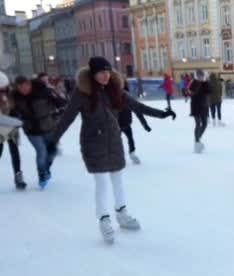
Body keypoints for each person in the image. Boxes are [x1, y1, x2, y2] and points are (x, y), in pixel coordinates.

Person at [47, 56, 176, 244]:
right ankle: (104, 219)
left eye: (108, 72)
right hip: (93, 141)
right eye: (101, 72)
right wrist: (53, 139)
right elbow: (67, 117)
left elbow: (136, 105)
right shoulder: (82, 92)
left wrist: (161, 114)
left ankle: (121, 213)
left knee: (117, 178)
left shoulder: (114, 89)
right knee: (102, 182)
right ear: (93, 73)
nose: (106, 75)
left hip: (114, 139)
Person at [11, 75, 67, 188]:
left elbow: (61, 103)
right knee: (41, 151)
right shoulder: (15, 96)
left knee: (52, 151)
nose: (23, 90)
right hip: (31, 129)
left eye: (25, 86)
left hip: (48, 126)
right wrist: (17, 117)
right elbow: (13, 111)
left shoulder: (43, 91)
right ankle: (41, 174)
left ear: (29, 84)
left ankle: (46, 169)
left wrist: (58, 112)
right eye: (20, 88)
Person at [0, 71, 27, 190]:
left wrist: (17, 116)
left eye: (4, 87)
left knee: (15, 152)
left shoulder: (12, 94)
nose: (3, 89)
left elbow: (17, 108)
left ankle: (18, 175)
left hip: (12, 128)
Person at [119, 80, 152, 165]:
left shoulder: (128, 98)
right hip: (118, 124)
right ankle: (126, 154)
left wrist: (145, 125)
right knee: (120, 140)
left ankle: (131, 153)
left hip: (124, 123)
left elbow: (138, 112)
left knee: (129, 139)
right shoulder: (114, 98)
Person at [189, 70, 211, 153]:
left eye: (201, 76)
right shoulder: (194, 83)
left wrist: (205, 82)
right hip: (196, 107)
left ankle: (198, 138)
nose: (200, 77)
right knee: (198, 124)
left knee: (205, 124)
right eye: (199, 76)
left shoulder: (205, 83)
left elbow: (209, 91)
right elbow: (192, 91)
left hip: (204, 107)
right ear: (196, 76)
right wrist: (198, 83)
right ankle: (197, 143)